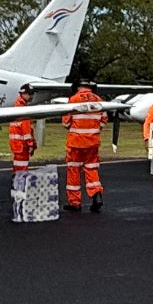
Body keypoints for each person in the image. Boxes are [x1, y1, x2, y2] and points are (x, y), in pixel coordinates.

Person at [61, 78, 106, 212]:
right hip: (92, 143)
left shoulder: (73, 100)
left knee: (73, 171)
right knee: (91, 169)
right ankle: (96, 194)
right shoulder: (99, 100)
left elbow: (66, 123)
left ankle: (75, 202)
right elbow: (103, 121)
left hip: (76, 143)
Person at [8, 84, 37, 177]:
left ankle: (16, 189)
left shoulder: (17, 107)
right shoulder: (23, 110)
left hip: (17, 145)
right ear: (23, 94)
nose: (32, 96)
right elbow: (26, 131)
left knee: (17, 169)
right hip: (22, 146)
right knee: (22, 170)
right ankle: (19, 190)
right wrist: (31, 144)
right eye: (30, 94)